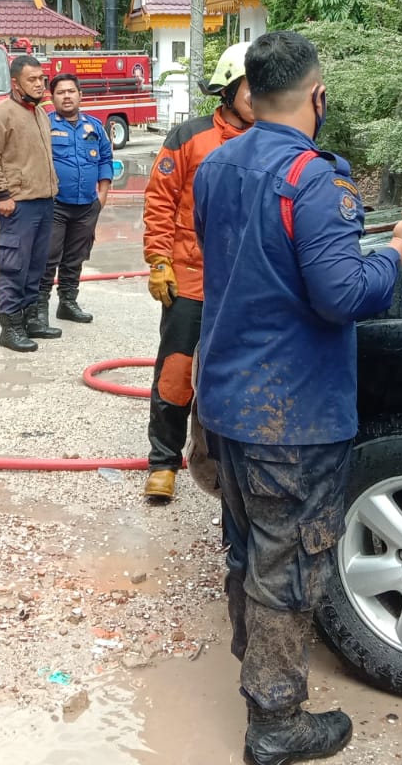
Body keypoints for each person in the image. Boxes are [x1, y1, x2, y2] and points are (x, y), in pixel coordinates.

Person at [193, 31, 402, 765]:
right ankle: (275, 723)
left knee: (247, 547)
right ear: (317, 95)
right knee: (289, 563)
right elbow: (341, 296)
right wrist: (398, 248)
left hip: (228, 402)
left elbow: (250, 263)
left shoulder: (217, 165)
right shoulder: (316, 179)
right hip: (291, 415)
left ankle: (255, 665)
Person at [139, 42, 254, 502]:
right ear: (228, 89)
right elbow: (160, 202)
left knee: (234, 376)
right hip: (189, 278)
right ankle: (163, 461)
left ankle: (222, 462)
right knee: (177, 370)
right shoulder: (189, 136)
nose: (259, 94)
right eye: (251, 85)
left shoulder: (271, 139)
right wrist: (159, 260)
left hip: (245, 286)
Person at [0, 54, 60, 352]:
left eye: (42, 79)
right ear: (15, 83)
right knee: (13, 266)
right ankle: (10, 327)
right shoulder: (1, 115)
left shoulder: (39, 114)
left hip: (44, 201)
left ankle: (30, 320)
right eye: (32, 80)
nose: (40, 85)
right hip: (18, 205)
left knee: (36, 266)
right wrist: (1, 194)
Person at [38, 73, 112, 325]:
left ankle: (68, 303)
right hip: (55, 205)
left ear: (80, 95)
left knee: (76, 257)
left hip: (86, 205)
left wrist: (101, 196)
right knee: (48, 256)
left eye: (71, 91)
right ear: (52, 97)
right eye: (61, 92)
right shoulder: (45, 125)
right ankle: (39, 309)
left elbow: (105, 159)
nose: (67, 96)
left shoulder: (94, 127)